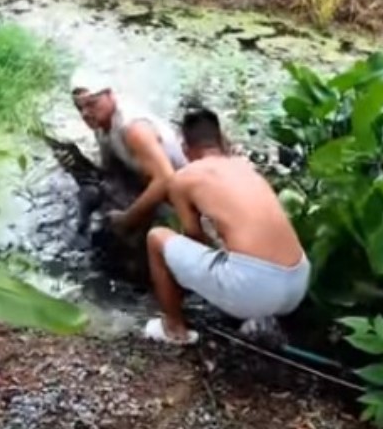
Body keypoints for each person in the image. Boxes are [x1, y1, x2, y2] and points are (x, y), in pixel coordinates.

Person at [143, 107, 310, 344]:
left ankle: (173, 328)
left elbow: (193, 238)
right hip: (298, 282)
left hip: (255, 289)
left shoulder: (184, 178)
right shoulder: (246, 168)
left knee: (156, 237)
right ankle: (263, 318)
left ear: (184, 149)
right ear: (222, 140)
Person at [70, 68, 188, 235]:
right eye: (79, 107)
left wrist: (128, 218)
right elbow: (109, 171)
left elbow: (166, 178)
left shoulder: (134, 129)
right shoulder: (101, 125)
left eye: (91, 103)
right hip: (145, 183)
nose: (85, 113)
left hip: (181, 196)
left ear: (110, 95)